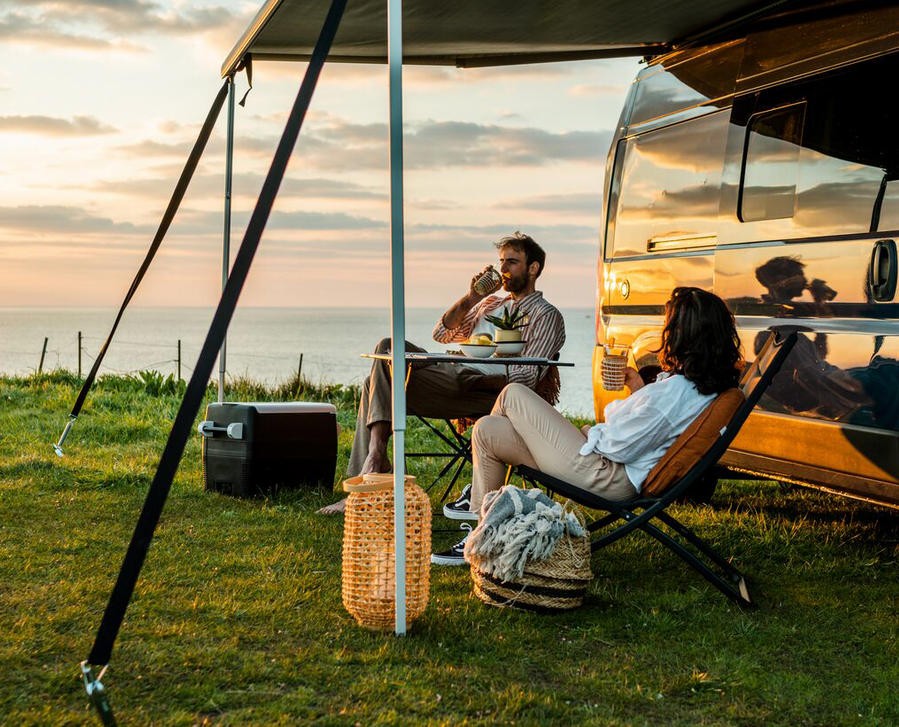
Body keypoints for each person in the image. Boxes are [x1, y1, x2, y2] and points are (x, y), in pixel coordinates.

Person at [431, 286, 741, 565]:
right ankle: (482, 532)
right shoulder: (692, 386)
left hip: (605, 476)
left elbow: (620, 445)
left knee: (513, 394)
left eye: (668, 325)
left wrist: (590, 433)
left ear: (684, 335)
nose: (664, 331)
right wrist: (638, 393)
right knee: (486, 431)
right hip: (600, 466)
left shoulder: (676, 392)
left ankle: (488, 525)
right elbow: (648, 427)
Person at [317, 232, 566, 515]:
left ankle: (371, 479)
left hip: (484, 390)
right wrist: (472, 297)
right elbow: (442, 334)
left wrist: (482, 372)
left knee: (373, 383)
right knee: (388, 348)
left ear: (533, 268)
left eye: (512, 262)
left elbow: (526, 378)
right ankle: (376, 463)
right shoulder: (489, 304)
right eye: (501, 262)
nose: (503, 270)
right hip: (451, 370)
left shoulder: (546, 315)